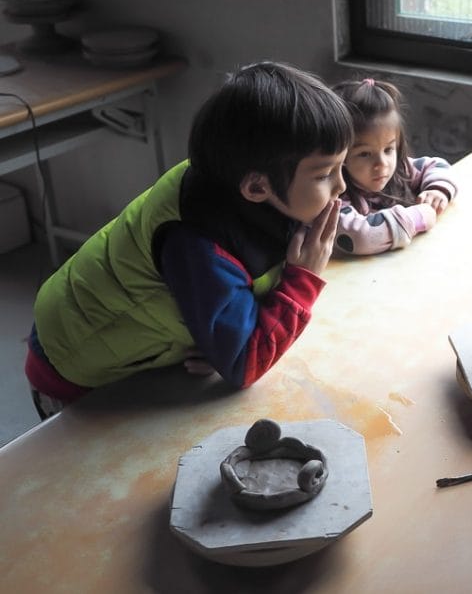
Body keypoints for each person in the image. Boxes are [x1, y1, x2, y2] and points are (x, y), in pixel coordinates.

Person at [26, 61, 353, 418]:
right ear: (257, 186)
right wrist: (302, 281)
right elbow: (245, 367)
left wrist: (221, 342)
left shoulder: (235, 175)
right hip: (71, 366)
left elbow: (236, 323)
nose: (342, 185)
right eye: (325, 174)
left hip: (122, 338)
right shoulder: (201, 246)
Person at [331, 78, 457, 255]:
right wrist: (417, 218)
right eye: (365, 154)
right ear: (339, 155)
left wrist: (437, 190)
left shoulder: (400, 170)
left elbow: (438, 165)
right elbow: (361, 237)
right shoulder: (332, 199)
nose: (381, 164)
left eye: (388, 149)